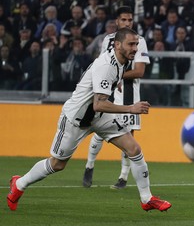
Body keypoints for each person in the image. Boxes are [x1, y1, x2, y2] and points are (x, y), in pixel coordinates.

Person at [7, 27, 171, 213]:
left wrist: (114, 84)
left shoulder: (123, 59)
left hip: (99, 117)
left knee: (133, 148)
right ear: (117, 45)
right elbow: (99, 104)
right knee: (58, 164)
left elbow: (101, 96)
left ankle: (146, 198)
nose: (135, 48)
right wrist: (131, 108)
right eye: (131, 44)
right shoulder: (106, 65)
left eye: (136, 44)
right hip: (76, 118)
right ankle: (19, 184)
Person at [83, 6, 150, 190]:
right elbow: (101, 66)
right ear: (117, 22)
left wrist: (117, 75)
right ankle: (89, 166)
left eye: (130, 20)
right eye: (124, 20)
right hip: (109, 92)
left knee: (129, 135)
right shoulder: (108, 40)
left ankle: (123, 177)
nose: (127, 23)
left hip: (130, 94)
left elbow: (139, 71)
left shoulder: (140, 41)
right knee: (98, 132)